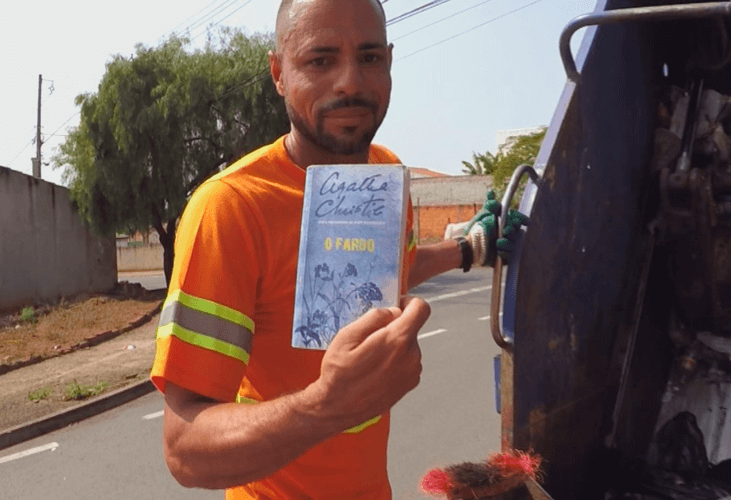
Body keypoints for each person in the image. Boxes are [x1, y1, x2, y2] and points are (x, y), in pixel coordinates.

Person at [150, 0, 528, 498]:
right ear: (279, 72)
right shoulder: (230, 210)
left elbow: (387, 274)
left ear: (389, 62)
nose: (350, 81)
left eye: (369, 57)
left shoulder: (385, 173)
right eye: (320, 60)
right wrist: (326, 406)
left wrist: (468, 248)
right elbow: (185, 451)